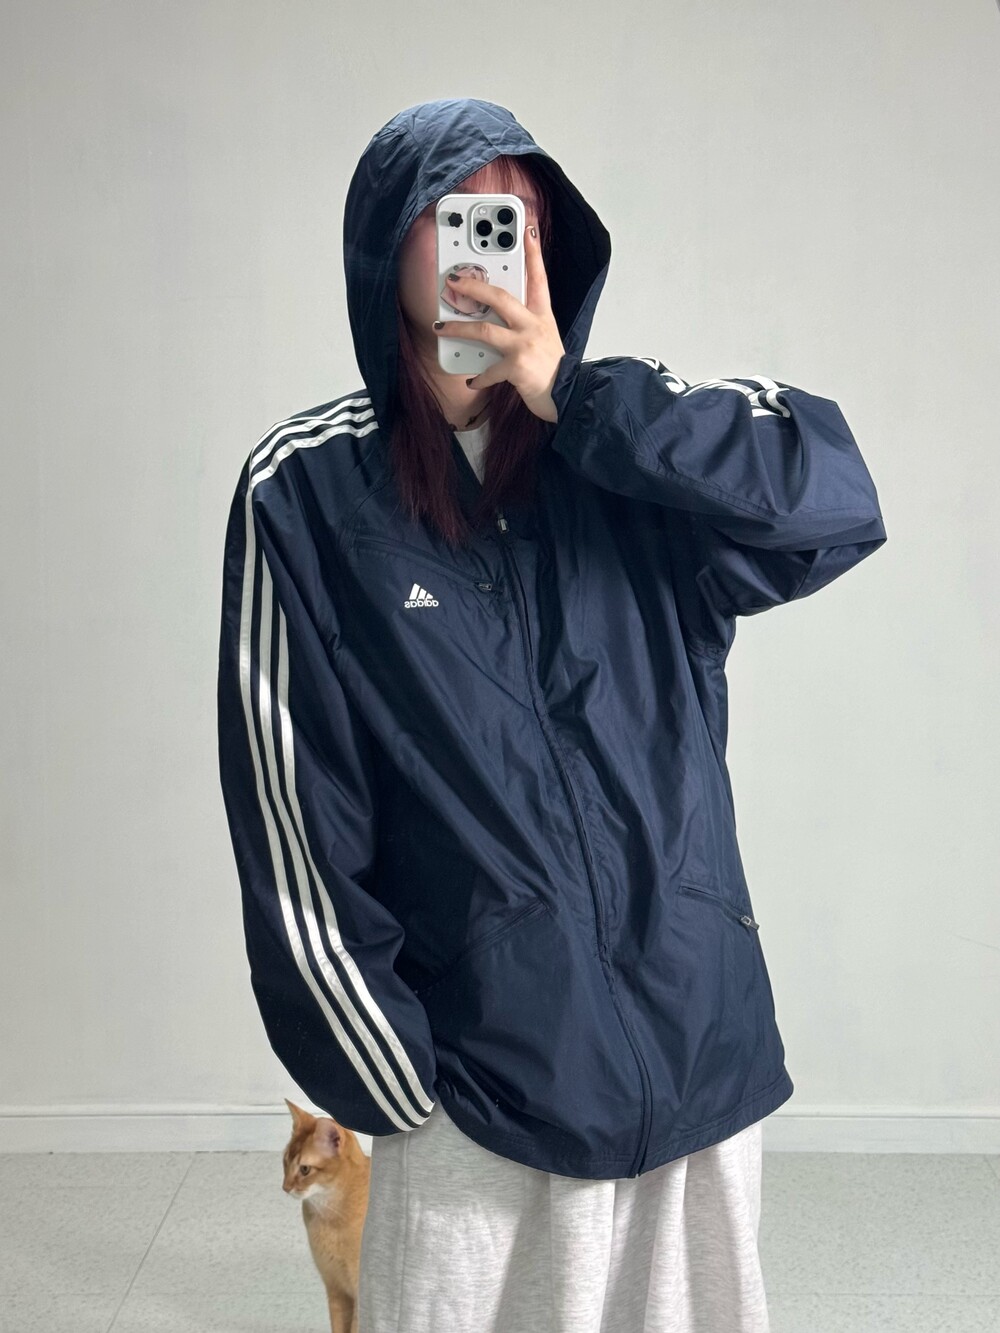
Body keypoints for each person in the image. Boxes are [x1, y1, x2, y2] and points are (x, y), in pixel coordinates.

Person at [216, 98, 887, 1332]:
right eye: (452, 214)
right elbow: (292, 805)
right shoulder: (305, 492)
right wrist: (394, 1081)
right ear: (388, 250)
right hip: (480, 1086)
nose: (486, 238)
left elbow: (833, 501)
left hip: (694, 1046)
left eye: (512, 215)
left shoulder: (627, 441)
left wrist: (571, 397)